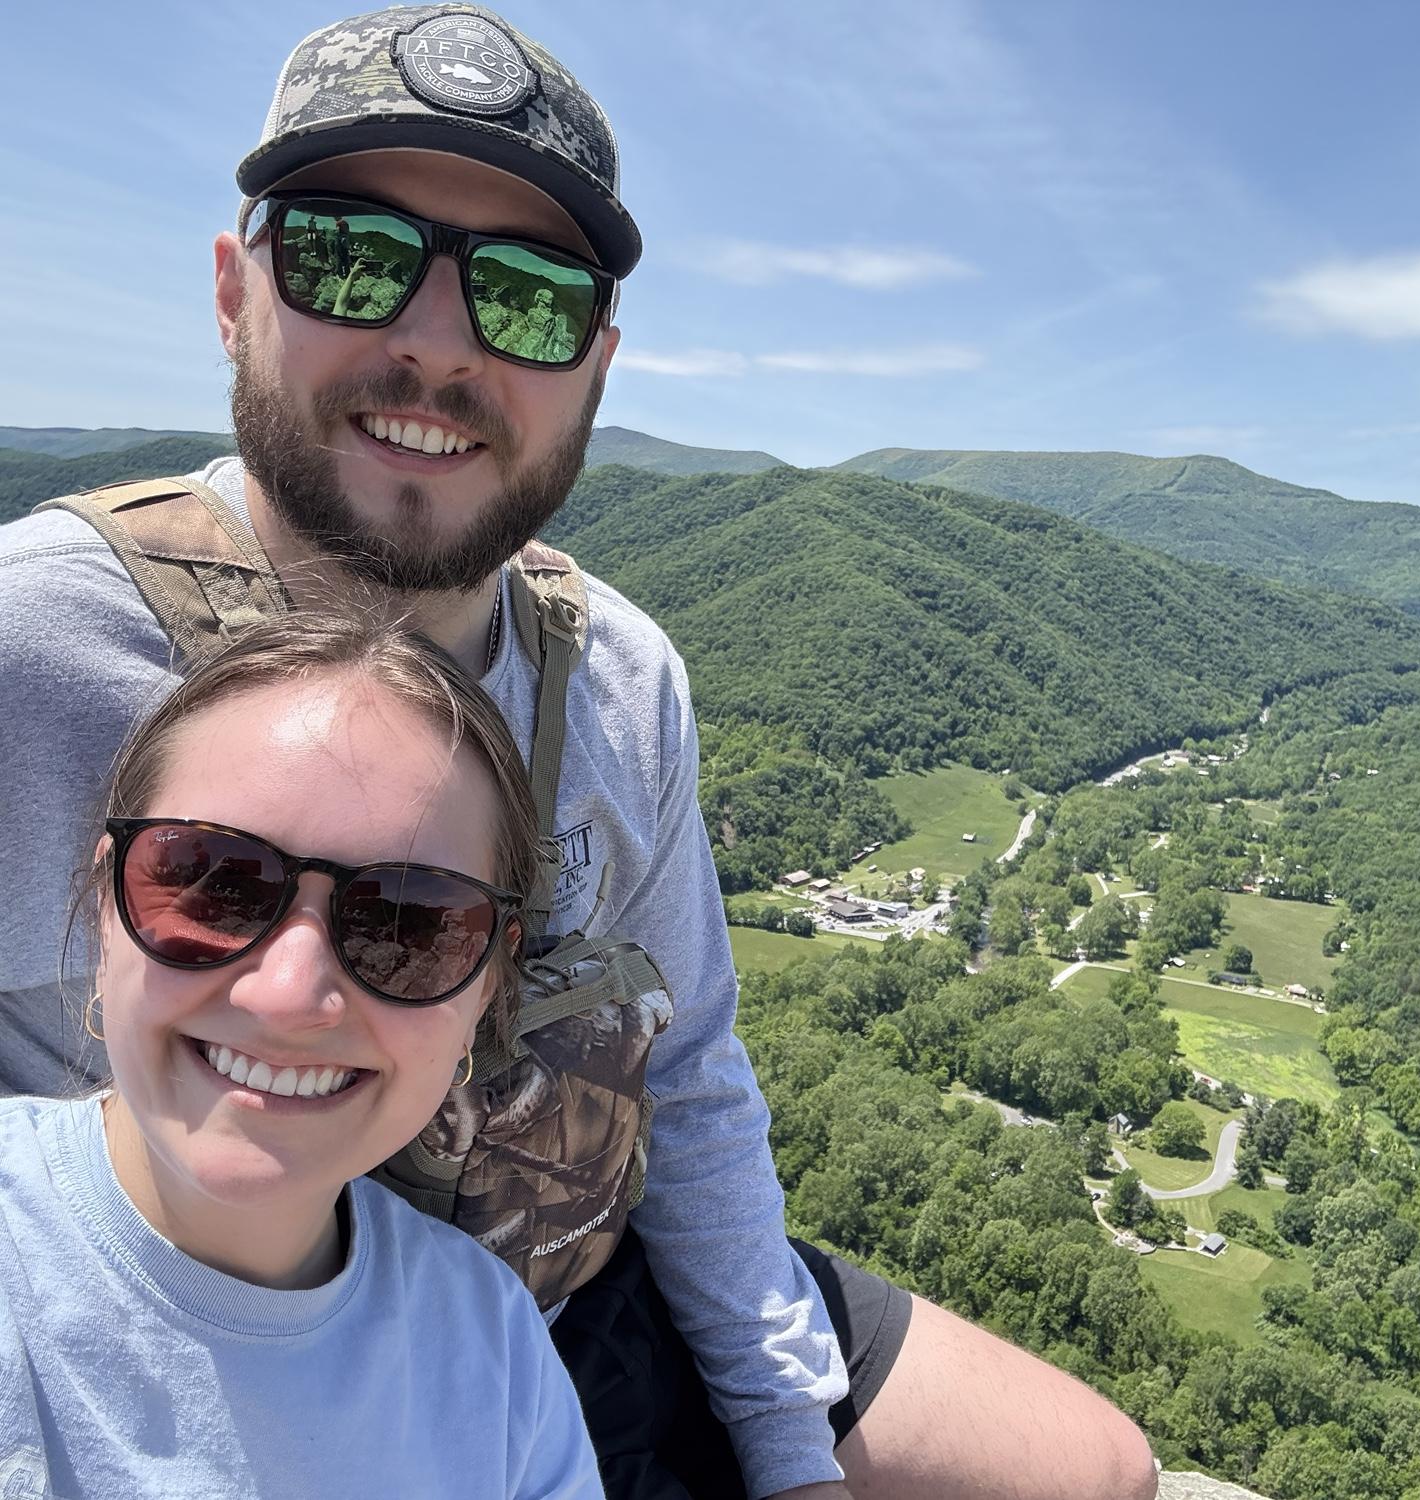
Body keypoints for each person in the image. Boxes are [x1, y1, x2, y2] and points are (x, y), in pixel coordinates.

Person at [0, 7, 1158, 1498]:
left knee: (1098, 1470)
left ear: (595, 364)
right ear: (235, 294)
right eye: (350, 257)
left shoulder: (615, 666)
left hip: (578, 1273)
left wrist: (785, 1445)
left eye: (529, 299)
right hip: (237, 1358)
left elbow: (683, 1071)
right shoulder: (40, 645)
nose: (433, 342)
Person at [0, 611, 604, 1498]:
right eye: (210, 883)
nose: (288, 995)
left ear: (485, 986)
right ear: (104, 901)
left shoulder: (494, 1347)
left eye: (409, 923)